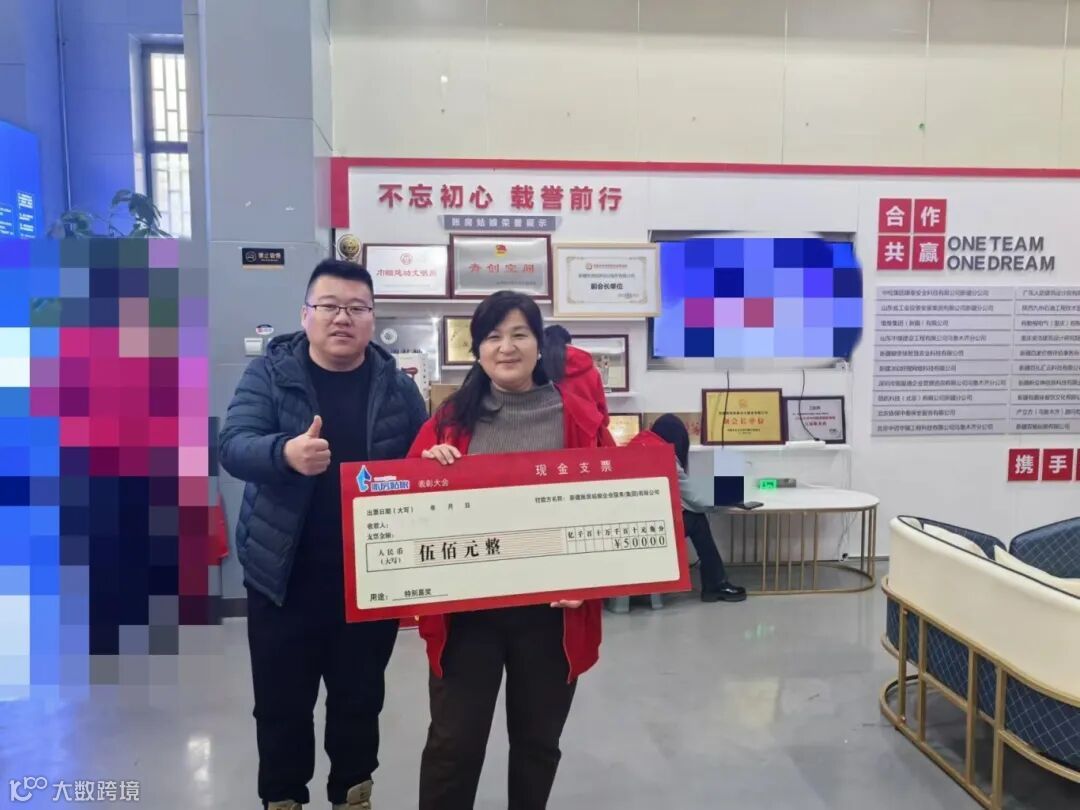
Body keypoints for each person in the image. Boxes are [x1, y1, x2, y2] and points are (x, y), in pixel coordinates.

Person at [219, 260, 428, 810]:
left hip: (368, 582)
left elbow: (423, 464)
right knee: (281, 705)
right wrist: (284, 453)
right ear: (305, 314)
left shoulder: (397, 388)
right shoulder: (270, 374)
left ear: (373, 319)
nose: (343, 318)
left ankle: (353, 795)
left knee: (359, 701)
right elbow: (232, 444)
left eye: (357, 308)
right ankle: (283, 799)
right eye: (330, 306)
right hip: (282, 578)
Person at [410, 291, 610, 810]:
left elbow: (611, 507)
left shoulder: (579, 419)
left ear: (539, 344)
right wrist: (425, 474)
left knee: (537, 744)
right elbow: (405, 507)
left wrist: (590, 578)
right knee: (454, 744)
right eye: (493, 336)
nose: (507, 347)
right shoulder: (450, 420)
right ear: (477, 350)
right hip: (467, 613)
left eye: (520, 334)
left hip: (550, 614)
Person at [630, 414, 747, 603]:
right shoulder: (664, 457)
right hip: (651, 526)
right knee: (696, 519)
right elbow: (695, 499)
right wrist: (726, 499)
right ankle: (715, 583)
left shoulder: (638, 445)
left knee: (692, 514)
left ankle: (715, 582)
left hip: (631, 522)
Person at [541, 324, 610, 428]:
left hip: (552, 429)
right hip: (588, 429)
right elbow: (603, 415)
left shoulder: (540, 369)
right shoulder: (592, 371)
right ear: (569, 342)